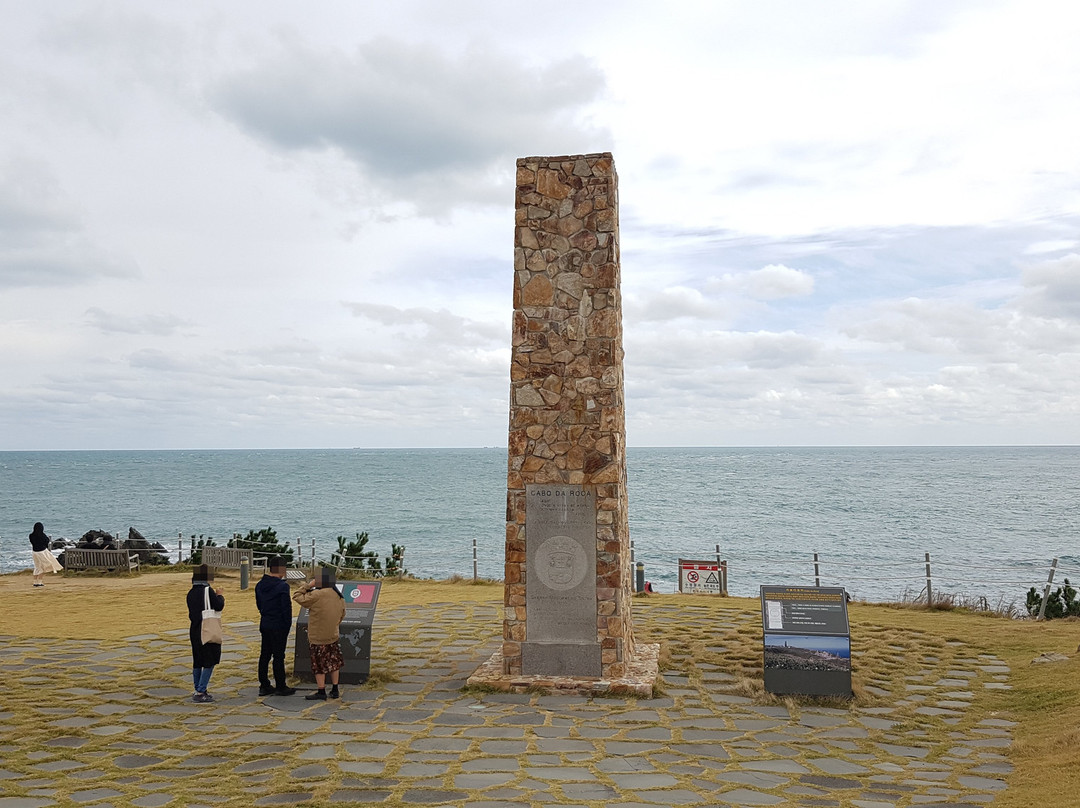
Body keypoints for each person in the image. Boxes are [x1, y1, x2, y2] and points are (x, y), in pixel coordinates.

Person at [293, 566, 346, 700]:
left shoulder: (316, 595)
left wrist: (308, 585)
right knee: (334, 663)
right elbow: (342, 614)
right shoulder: (338, 595)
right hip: (332, 635)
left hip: (318, 637)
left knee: (319, 664)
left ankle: (321, 691)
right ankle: (335, 689)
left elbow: (297, 596)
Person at [255, 556, 296, 696]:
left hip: (265, 622)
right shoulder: (283, 586)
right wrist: (287, 624)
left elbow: (259, 604)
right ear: (283, 570)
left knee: (264, 655)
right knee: (278, 656)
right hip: (279, 625)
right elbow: (286, 608)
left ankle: (264, 684)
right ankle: (280, 685)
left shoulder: (260, 584)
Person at [187, 564, 225, 703]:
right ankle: (201, 690)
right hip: (207, 630)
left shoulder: (191, 592)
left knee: (197, 661)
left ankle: (197, 687)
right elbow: (218, 605)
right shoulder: (207, 590)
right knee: (210, 660)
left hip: (195, 629)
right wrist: (220, 595)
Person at [29, 522, 63, 587]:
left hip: (34, 552)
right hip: (42, 552)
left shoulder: (31, 535)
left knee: (37, 567)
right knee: (44, 567)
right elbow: (47, 541)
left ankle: (35, 582)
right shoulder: (42, 535)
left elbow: (32, 542)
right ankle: (39, 582)